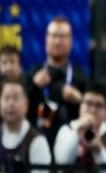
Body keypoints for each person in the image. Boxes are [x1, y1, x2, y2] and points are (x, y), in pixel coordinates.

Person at [27, 15, 89, 148]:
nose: (57, 41)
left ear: (70, 41)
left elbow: (94, 115)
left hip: (73, 146)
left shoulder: (81, 76)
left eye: (62, 36)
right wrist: (34, 86)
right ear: (46, 40)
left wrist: (81, 100)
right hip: (36, 142)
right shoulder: (33, 74)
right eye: (53, 36)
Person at [54, 84, 106, 173]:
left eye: (98, 105)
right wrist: (76, 133)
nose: (93, 110)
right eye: (88, 103)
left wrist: (99, 149)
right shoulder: (67, 130)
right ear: (80, 106)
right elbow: (61, 166)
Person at [0, 78, 51, 173]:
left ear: (26, 105)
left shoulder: (37, 141)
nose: (10, 103)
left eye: (15, 98)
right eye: (6, 98)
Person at [0, 45, 23, 123]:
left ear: (20, 67)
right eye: (4, 63)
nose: (9, 67)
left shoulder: (31, 88)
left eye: (12, 62)